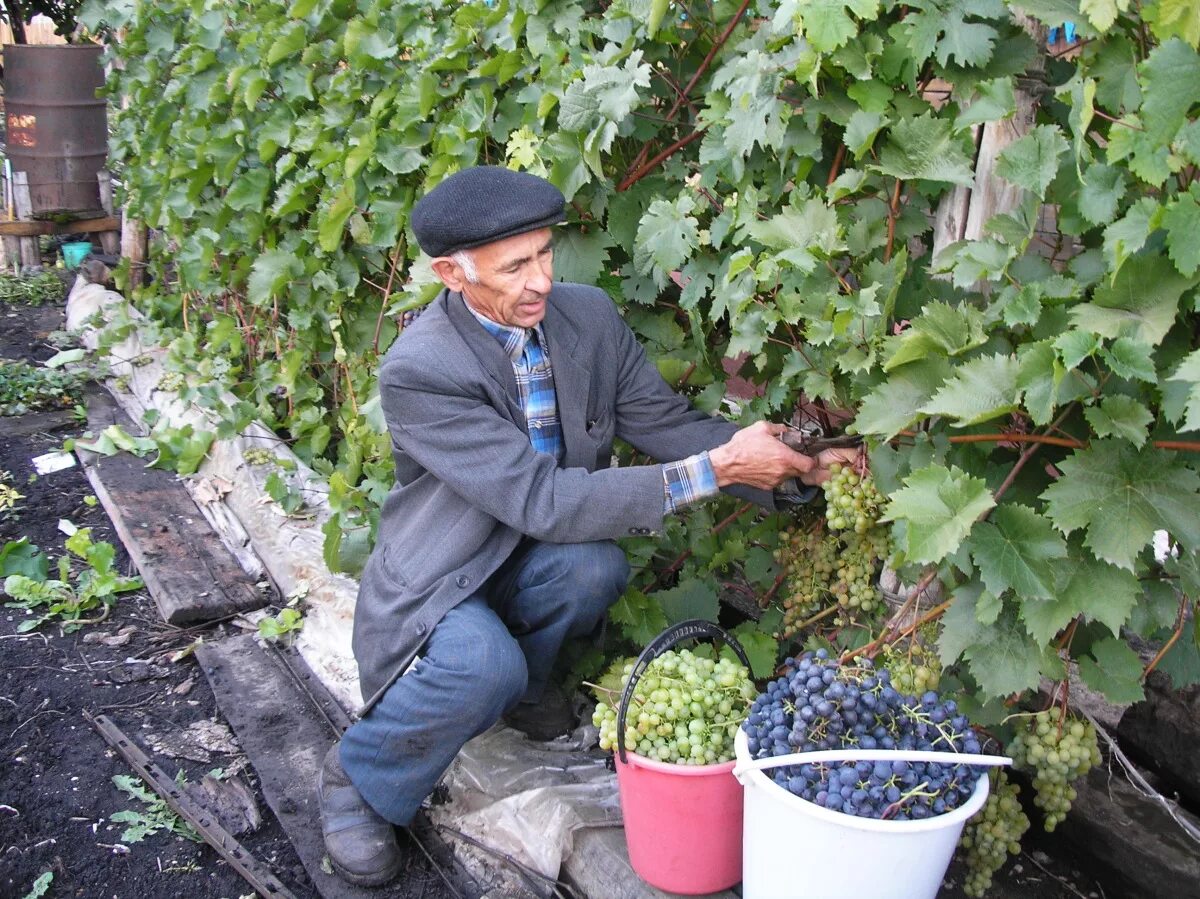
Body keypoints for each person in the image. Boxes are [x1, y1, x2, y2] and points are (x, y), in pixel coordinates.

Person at [318, 166, 858, 886]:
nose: (541, 279)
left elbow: (667, 424)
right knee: (482, 661)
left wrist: (794, 457)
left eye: (545, 253)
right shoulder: (421, 370)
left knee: (593, 567)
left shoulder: (587, 318)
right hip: (448, 570)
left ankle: (529, 690)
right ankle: (360, 778)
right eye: (515, 266)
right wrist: (723, 469)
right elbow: (542, 500)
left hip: (533, 555)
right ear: (452, 273)